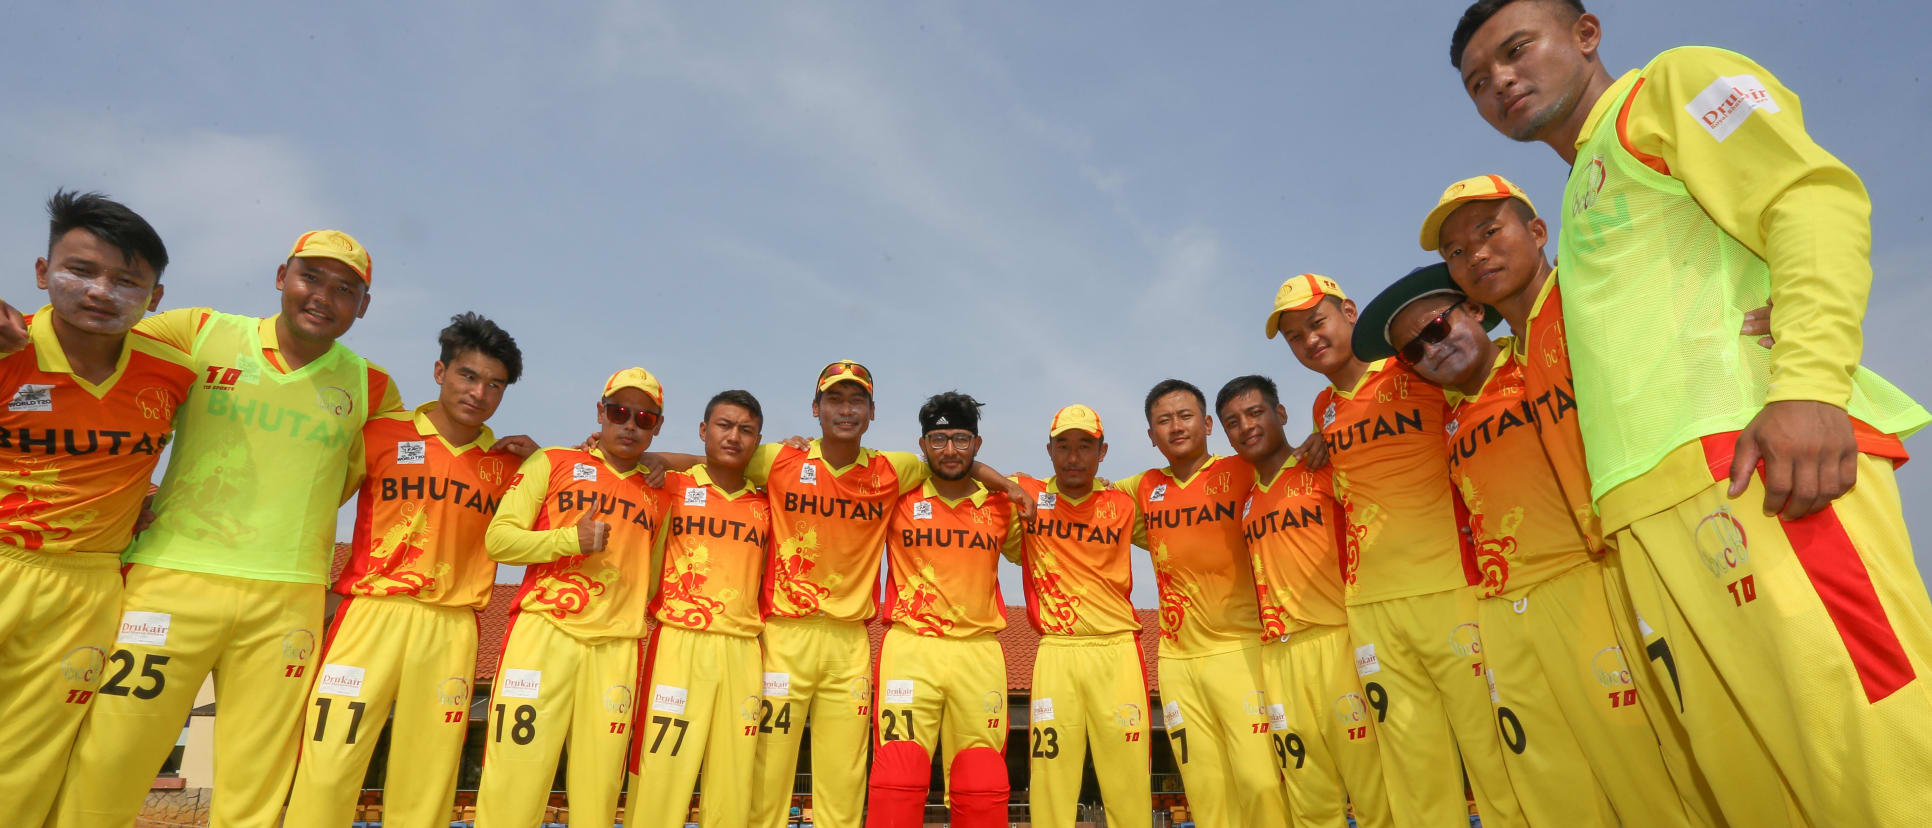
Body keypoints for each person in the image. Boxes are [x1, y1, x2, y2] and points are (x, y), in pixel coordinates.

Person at [1452, 1, 1932, 822]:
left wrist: (1809, 385)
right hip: (1644, 520)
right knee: (1758, 787)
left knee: (1872, 751)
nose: (1500, 80)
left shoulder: (1670, 87)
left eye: (1517, 48)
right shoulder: (1579, 200)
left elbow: (1812, 200)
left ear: (1586, 34)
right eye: (1477, 81)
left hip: (1756, 474)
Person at [1424, 172, 1785, 823]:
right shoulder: (1522, 352)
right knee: (1682, 759)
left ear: (1538, 233)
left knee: (1764, 740)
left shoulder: (1587, 290)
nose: (1475, 254)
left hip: (1708, 526)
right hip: (1617, 560)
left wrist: (1775, 316)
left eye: (1488, 232)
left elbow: (1699, 276)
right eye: (1456, 251)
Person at [45, 229, 402, 828]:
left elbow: (422, 466)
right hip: (170, 582)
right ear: (281, 276)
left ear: (363, 306)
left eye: (346, 289)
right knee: (111, 757)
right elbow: (86, 341)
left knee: (255, 786)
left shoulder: (372, 387)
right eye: (310, 277)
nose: (323, 296)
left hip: (287, 597)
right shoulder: (201, 331)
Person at [1355, 263, 1698, 826]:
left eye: (1436, 328)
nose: (1431, 351)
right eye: (1414, 351)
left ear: (1473, 310)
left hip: (1584, 583)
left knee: (1642, 763)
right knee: (1547, 779)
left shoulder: (1539, 362)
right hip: (1501, 612)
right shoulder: (1446, 416)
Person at [646, 360, 1030, 828]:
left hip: (849, 643)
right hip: (786, 637)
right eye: (835, 399)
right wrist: (660, 460)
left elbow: (952, 457)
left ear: (871, 412)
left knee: (844, 776)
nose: (845, 410)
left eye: (856, 401)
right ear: (816, 407)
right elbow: (716, 459)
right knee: (767, 767)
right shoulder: (779, 459)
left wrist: (1005, 483)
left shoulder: (895, 470)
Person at [1267, 274, 1523, 827]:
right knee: (1413, 767)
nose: (1309, 340)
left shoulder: (1416, 364)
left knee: (1494, 751)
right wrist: (1318, 437)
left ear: (1349, 312)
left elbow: (1495, 367)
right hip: (1372, 609)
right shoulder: (1322, 407)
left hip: (1451, 590)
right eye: (1294, 336)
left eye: (1317, 322)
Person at [284, 313, 531, 828]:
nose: (479, 392)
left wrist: (541, 464)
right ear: (439, 371)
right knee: (329, 760)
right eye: (468, 375)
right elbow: (312, 502)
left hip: (452, 624)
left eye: (495, 385)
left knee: (427, 775)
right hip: (370, 613)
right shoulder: (379, 434)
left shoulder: (510, 466)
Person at [0, 191, 190, 825]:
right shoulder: (8, 349)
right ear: (40, 271)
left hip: (86, 586)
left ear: (154, 298)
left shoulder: (173, 375)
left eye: (127, 281)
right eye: (80, 270)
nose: (101, 292)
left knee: (25, 762)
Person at [477, 367, 670, 828]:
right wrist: (569, 540)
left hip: (616, 649)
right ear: (600, 412)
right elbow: (499, 540)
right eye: (620, 411)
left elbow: (655, 578)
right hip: (545, 635)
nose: (630, 424)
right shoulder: (554, 462)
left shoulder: (660, 493)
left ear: (657, 426)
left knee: (599, 791)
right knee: (515, 778)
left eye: (644, 418)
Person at [1216, 375, 1392, 828]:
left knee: (1373, 786)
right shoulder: (1248, 500)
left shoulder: (1323, 465)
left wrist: (1330, 439)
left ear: (1281, 414)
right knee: (1308, 794)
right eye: (1233, 422)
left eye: (1255, 413)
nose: (1246, 427)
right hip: (1277, 655)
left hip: (1338, 642)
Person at [1111, 380, 1285, 828]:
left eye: (1185, 416)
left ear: (1207, 423)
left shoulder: (1242, 470)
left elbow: (1294, 461)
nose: (1176, 427)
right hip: (1178, 660)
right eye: (1163, 421)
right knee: (1207, 792)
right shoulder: (1143, 487)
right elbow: (1085, 498)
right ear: (1151, 435)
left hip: (1242, 649)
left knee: (1262, 782)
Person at [866, 392, 1015, 828]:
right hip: (911, 647)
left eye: (961, 439)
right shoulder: (898, 494)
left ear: (978, 443)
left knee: (982, 778)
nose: (950, 450)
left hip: (979, 651)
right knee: (899, 772)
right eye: (938, 439)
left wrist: (1006, 484)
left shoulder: (1002, 504)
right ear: (923, 444)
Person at [627, 390, 771, 828]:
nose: (734, 437)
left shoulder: (768, 504)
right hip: (679, 643)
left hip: (743, 649)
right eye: (724, 426)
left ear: (758, 440)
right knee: (662, 771)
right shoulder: (671, 485)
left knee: (733, 780)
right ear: (704, 431)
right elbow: (624, 457)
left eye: (746, 430)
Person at [1007, 404, 1151, 828]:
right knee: (1052, 775)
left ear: (1102, 452)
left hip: (1117, 651)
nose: (1074, 457)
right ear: (1048, 451)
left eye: (1085, 446)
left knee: (1127, 778)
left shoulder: (1123, 504)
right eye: (1064, 446)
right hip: (1057, 652)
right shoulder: (1025, 496)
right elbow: (960, 477)